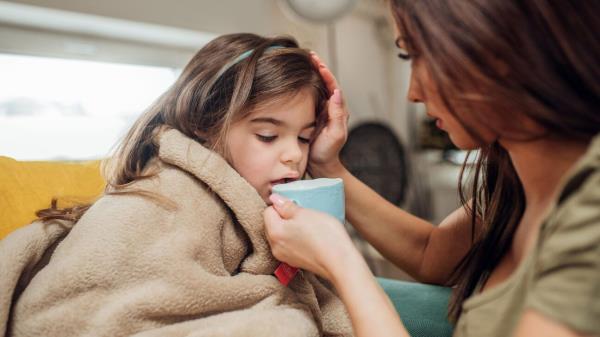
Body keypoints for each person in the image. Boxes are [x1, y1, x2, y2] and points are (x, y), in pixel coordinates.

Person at [263, 1, 600, 337]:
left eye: (414, 55)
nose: (413, 93)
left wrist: (340, 261)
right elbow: (431, 255)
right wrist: (327, 165)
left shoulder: (591, 204)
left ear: (495, 44)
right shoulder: (517, 182)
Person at [0, 33, 353, 336]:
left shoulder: (260, 204)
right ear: (206, 124)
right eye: (267, 135)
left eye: (305, 138)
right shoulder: (164, 199)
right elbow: (82, 317)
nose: (293, 154)